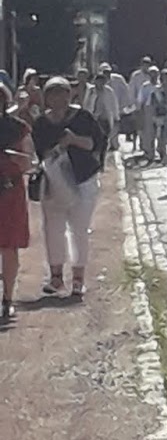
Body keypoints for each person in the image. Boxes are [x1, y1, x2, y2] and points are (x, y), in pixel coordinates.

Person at [31, 76, 104, 299]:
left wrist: (73, 139)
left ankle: (78, 279)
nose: (58, 98)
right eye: (52, 94)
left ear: (69, 94)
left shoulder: (83, 117)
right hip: (54, 182)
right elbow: (40, 152)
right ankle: (56, 278)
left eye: (62, 93)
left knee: (79, 230)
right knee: (53, 229)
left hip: (83, 180)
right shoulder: (41, 123)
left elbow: (94, 144)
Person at [0, 84, 34, 324]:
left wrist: (13, 157)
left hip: (9, 191)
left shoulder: (18, 128)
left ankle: (7, 299)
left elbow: (29, 162)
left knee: (9, 247)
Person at [85, 66, 121, 164]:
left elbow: (114, 104)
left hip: (105, 119)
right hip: (94, 119)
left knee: (104, 140)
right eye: (98, 81)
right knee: (95, 140)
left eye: (102, 81)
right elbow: (86, 104)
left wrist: (116, 117)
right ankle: (94, 160)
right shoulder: (91, 91)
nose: (100, 83)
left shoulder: (109, 91)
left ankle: (102, 160)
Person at [138, 66, 167, 162]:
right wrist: (141, 114)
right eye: (151, 74)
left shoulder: (161, 86)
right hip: (148, 110)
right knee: (149, 133)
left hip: (160, 111)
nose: (153, 76)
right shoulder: (145, 86)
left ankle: (162, 152)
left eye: (155, 74)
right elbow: (141, 101)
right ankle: (150, 154)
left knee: (161, 134)